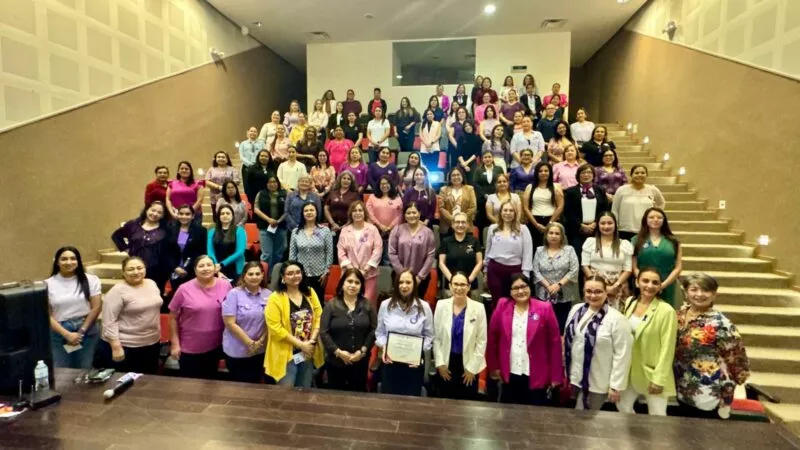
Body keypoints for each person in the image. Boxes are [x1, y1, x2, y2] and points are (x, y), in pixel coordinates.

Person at [674, 273, 750, 419]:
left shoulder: (721, 324)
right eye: (694, 289)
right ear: (685, 292)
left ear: (714, 294)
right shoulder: (680, 315)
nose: (699, 294)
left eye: (706, 290)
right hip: (682, 384)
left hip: (707, 389)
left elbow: (737, 359)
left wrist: (729, 389)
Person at [487, 273, 563, 405]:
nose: (521, 291)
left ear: (530, 287)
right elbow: (492, 339)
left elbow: (555, 344)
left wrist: (556, 375)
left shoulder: (544, 308)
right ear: (509, 291)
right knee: (510, 416)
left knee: (535, 418)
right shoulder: (502, 306)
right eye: (515, 288)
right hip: (510, 372)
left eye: (524, 286)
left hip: (537, 374)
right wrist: (494, 367)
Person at [564, 276, 633, 410]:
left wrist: (616, 386)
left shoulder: (617, 319)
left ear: (606, 292)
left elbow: (623, 354)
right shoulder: (575, 310)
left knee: (587, 420)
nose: (593, 295)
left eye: (598, 291)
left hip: (597, 380)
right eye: (588, 291)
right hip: (573, 377)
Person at [617, 268, 677, 416]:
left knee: (657, 417)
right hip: (630, 370)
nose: (650, 286)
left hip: (652, 373)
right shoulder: (630, 302)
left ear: (660, 286)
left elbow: (668, 348)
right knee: (622, 406)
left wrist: (659, 379)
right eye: (645, 281)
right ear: (637, 283)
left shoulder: (666, 311)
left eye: (655, 282)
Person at [169, 255, 231, 379]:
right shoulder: (183, 289)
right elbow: (173, 317)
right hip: (190, 347)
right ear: (195, 270)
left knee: (210, 385)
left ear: (215, 268)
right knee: (190, 387)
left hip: (215, 346)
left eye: (209, 265)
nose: (206, 268)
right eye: (201, 266)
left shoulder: (225, 285)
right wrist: (175, 344)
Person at [264, 261, 325, 387]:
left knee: (304, 390)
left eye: (298, 272)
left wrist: (311, 342)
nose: (295, 276)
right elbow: (275, 328)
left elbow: (319, 316)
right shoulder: (275, 298)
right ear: (283, 277)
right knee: (287, 394)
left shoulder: (310, 292)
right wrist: (301, 344)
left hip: (307, 351)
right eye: (290, 273)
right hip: (286, 354)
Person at [375, 270, 435, 396]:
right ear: (396, 284)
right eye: (401, 282)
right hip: (390, 362)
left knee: (411, 404)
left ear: (414, 284)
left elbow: (429, 336)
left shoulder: (424, 307)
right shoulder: (385, 305)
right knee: (388, 401)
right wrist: (385, 347)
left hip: (413, 365)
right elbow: (379, 333)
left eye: (408, 282)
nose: (404, 286)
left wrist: (418, 353)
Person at [101, 256, 163, 374]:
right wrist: (116, 346)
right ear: (123, 272)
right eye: (131, 269)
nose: (136, 272)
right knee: (127, 382)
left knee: (149, 379)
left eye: (139, 268)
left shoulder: (152, 283)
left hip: (152, 342)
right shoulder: (117, 291)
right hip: (127, 345)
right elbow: (109, 321)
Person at [320, 268, 377, 392]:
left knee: (357, 397)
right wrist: (338, 352)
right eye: (349, 281)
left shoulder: (367, 305)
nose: (353, 285)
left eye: (357, 282)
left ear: (361, 286)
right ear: (342, 283)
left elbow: (373, 330)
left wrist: (362, 351)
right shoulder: (332, 305)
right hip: (335, 361)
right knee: (335, 397)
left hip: (360, 361)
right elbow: (324, 332)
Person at [433, 272, 487, 400]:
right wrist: (440, 364)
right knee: (446, 404)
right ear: (450, 286)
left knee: (467, 405)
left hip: (469, 364)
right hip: (447, 363)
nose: (459, 288)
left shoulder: (479, 308)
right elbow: (436, 338)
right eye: (455, 284)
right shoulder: (441, 305)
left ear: (468, 287)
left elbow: (481, 341)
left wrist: (472, 368)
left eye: (463, 284)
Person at [46, 247, 102, 369]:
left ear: (78, 261)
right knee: (61, 370)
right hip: (60, 331)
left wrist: (81, 332)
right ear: (57, 262)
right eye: (64, 259)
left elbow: (96, 307)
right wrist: (66, 334)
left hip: (86, 329)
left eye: (73, 258)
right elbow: (47, 314)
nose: (69, 262)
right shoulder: (48, 284)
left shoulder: (91, 280)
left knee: (85, 368)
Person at [222, 262, 271, 384]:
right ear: (244, 276)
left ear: (262, 275)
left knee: (256, 385)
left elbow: (271, 323)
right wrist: (250, 344)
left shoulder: (269, 294)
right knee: (239, 388)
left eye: (257, 274)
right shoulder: (234, 294)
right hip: (237, 351)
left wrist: (259, 343)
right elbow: (230, 323)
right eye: (250, 274)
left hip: (260, 350)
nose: (254, 277)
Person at [112, 201, 172, 295]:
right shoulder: (133, 225)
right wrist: (127, 249)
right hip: (135, 269)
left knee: (153, 296)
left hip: (157, 271)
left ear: (163, 215)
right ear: (147, 210)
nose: (155, 214)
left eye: (159, 212)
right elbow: (116, 236)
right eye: (153, 210)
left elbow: (172, 248)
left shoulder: (167, 229)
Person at [484, 202, 533, 306]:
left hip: (515, 271)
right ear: (500, 212)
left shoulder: (523, 229)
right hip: (495, 270)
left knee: (514, 302)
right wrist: (485, 270)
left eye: (511, 211)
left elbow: (528, 254)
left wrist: (525, 274)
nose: (508, 213)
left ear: (515, 213)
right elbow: (488, 250)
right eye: (505, 210)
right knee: (497, 302)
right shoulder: (492, 228)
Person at [632, 208, 683, 308]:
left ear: (664, 220)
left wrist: (662, 285)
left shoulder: (674, 241)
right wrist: (645, 282)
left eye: (659, 217)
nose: (655, 219)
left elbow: (678, 267)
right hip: (644, 285)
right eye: (651, 217)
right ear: (645, 220)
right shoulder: (635, 240)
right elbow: (634, 267)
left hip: (667, 284)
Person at [533, 223, 580, 332]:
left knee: (561, 326)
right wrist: (548, 286)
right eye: (551, 233)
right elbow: (535, 271)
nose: (554, 236)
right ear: (546, 235)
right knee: (543, 327)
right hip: (544, 293)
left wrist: (558, 285)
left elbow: (574, 269)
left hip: (564, 293)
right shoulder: (539, 251)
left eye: (557, 233)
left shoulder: (569, 250)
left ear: (562, 236)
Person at [582, 212, 633, 310]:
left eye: (610, 223)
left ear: (615, 225)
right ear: (598, 225)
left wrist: (615, 286)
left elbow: (628, 269)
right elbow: (585, 266)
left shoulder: (624, 244)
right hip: (594, 286)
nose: (606, 226)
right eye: (603, 223)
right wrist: (597, 284)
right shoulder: (590, 242)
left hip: (617, 287)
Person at [337, 201, 383, 307]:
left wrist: (365, 269)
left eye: (360, 210)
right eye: (354, 211)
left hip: (368, 275)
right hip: (349, 275)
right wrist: (351, 270)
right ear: (350, 214)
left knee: (367, 305)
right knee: (349, 304)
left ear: (364, 213)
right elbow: (340, 251)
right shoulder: (345, 230)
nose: (357, 213)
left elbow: (378, 249)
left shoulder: (372, 229)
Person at [562, 164, 611, 262]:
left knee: (596, 256)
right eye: (583, 172)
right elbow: (568, 212)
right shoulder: (570, 192)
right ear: (578, 176)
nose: (586, 175)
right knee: (577, 257)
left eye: (589, 172)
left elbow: (605, 209)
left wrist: (595, 223)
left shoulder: (600, 190)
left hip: (596, 229)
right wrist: (581, 225)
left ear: (593, 175)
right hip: (577, 230)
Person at [388, 203, 436, 297]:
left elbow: (430, 255)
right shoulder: (397, 230)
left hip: (420, 279)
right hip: (400, 277)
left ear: (419, 214)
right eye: (408, 213)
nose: (411, 215)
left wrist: (419, 277)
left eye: (414, 212)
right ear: (404, 215)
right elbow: (392, 253)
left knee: (417, 305)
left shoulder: (428, 232)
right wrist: (402, 274)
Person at [289, 203, 333, 300]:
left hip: (320, 275)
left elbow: (329, 252)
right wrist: (293, 272)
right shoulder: (296, 232)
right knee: (302, 302)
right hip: (300, 275)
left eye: (312, 210)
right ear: (302, 214)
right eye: (306, 210)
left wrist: (326, 272)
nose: (309, 212)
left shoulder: (324, 230)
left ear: (317, 213)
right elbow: (292, 255)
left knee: (318, 302)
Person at [165, 205, 208, 304]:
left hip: (192, 270)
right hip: (174, 270)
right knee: (177, 298)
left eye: (187, 214)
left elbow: (201, 252)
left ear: (193, 216)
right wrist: (175, 268)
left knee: (192, 300)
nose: (184, 216)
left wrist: (187, 268)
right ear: (177, 215)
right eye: (181, 214)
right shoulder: (170, 229)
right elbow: (166, 252)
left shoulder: (201, 231)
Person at [612, 165, 667, 241]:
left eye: (642, 173)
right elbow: (614, 209)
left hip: (646, 229)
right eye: (636, 173)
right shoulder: (621, 190)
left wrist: (655, 217)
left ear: (646, 175)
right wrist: (615, 225)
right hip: (625, 230)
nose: (640, 175)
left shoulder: (653, 190)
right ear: (631, 175)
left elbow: (661, 203)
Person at [438, 213, 483, 292]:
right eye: (457, 222)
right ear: (452, 224)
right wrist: (452, 280)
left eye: (463, 222)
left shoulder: (474, 240)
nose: (460, 224)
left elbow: (479, 262)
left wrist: (469, 280)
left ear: (468, 224)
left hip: (470, 284)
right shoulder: (446, 241)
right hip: (451, 285)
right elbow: (441, 263)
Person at [522, 162, 564, 246]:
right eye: (540, 171)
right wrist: (536, 224)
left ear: (550, 172)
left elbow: (560, 206)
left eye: (546, 171)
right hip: (534, 221)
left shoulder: (556, 186)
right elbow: (525, 207)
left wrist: (550, 223)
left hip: (552, 221)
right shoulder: (530, 187)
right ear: (536, 173)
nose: (543, 173)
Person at [254, 174, 287, 274]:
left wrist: (279, 220)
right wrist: (269, 220)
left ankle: (274, 276)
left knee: (278, 254)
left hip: (280, 226)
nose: (272, 184)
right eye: (270, 182)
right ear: (266, 184)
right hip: (265, 227)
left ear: (278, 183)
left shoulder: (284, 194)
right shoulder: (261, 193)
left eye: (274, 182)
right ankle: (263, 276)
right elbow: (256, 208)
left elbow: (288, 209)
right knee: (267, 254)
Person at [366, 175, 403, 265]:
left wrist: (389, 227)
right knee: (374, 257)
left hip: (392, 232)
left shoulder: (397, 198)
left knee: (388, 258)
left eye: (387, 183)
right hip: (375, 230)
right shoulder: (372, 197)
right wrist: (380, 225)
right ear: (378, 185)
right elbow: (369, 213)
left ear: (391, 184)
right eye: (382, 184)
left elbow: (400, 215)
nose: (384, 185)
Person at [206, 204, 247, 281]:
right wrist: (216, 265)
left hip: (234, 268)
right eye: (222, 213)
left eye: (228, 213)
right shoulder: (212, 232)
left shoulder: (240, 231)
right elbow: (210, 251)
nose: (225, 215)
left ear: (232, 216)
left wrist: (222, 264)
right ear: (219, 216)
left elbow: (240, 252)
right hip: (216, 267)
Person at [439, 167, 477, 235]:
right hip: (447, 227)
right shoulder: (443, 190)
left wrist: (461, 219)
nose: (456, 177)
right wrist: (453, 219)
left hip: (465, 226)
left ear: (462, 176)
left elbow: (473, 207)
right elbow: (441, 208)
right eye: (453, 175)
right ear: (450, 178)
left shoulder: (469, 189)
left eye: (458, 175)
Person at [474, 152, 506, 231]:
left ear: (492, 158)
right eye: (485, 157)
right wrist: (485, 195)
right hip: (482, 199)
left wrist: (495, 195)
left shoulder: (499, 169)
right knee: (482, 220)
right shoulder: (478, 170)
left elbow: (502, 182)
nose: (487, 159)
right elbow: (476, 184)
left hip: (497, 198)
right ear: (482, 159)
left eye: (489, 157)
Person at [205, 151, 241, 215]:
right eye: (218, 157)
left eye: (223, 157)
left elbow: (237, 181)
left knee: (230, 214)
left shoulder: (233, 169)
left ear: (227, 159)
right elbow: (207, 181)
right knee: (217, 215)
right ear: (215, 159)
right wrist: (219, 187)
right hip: (215, 196)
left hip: (229, 196)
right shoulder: (211, 169)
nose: (221, 158)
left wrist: (225, 188)